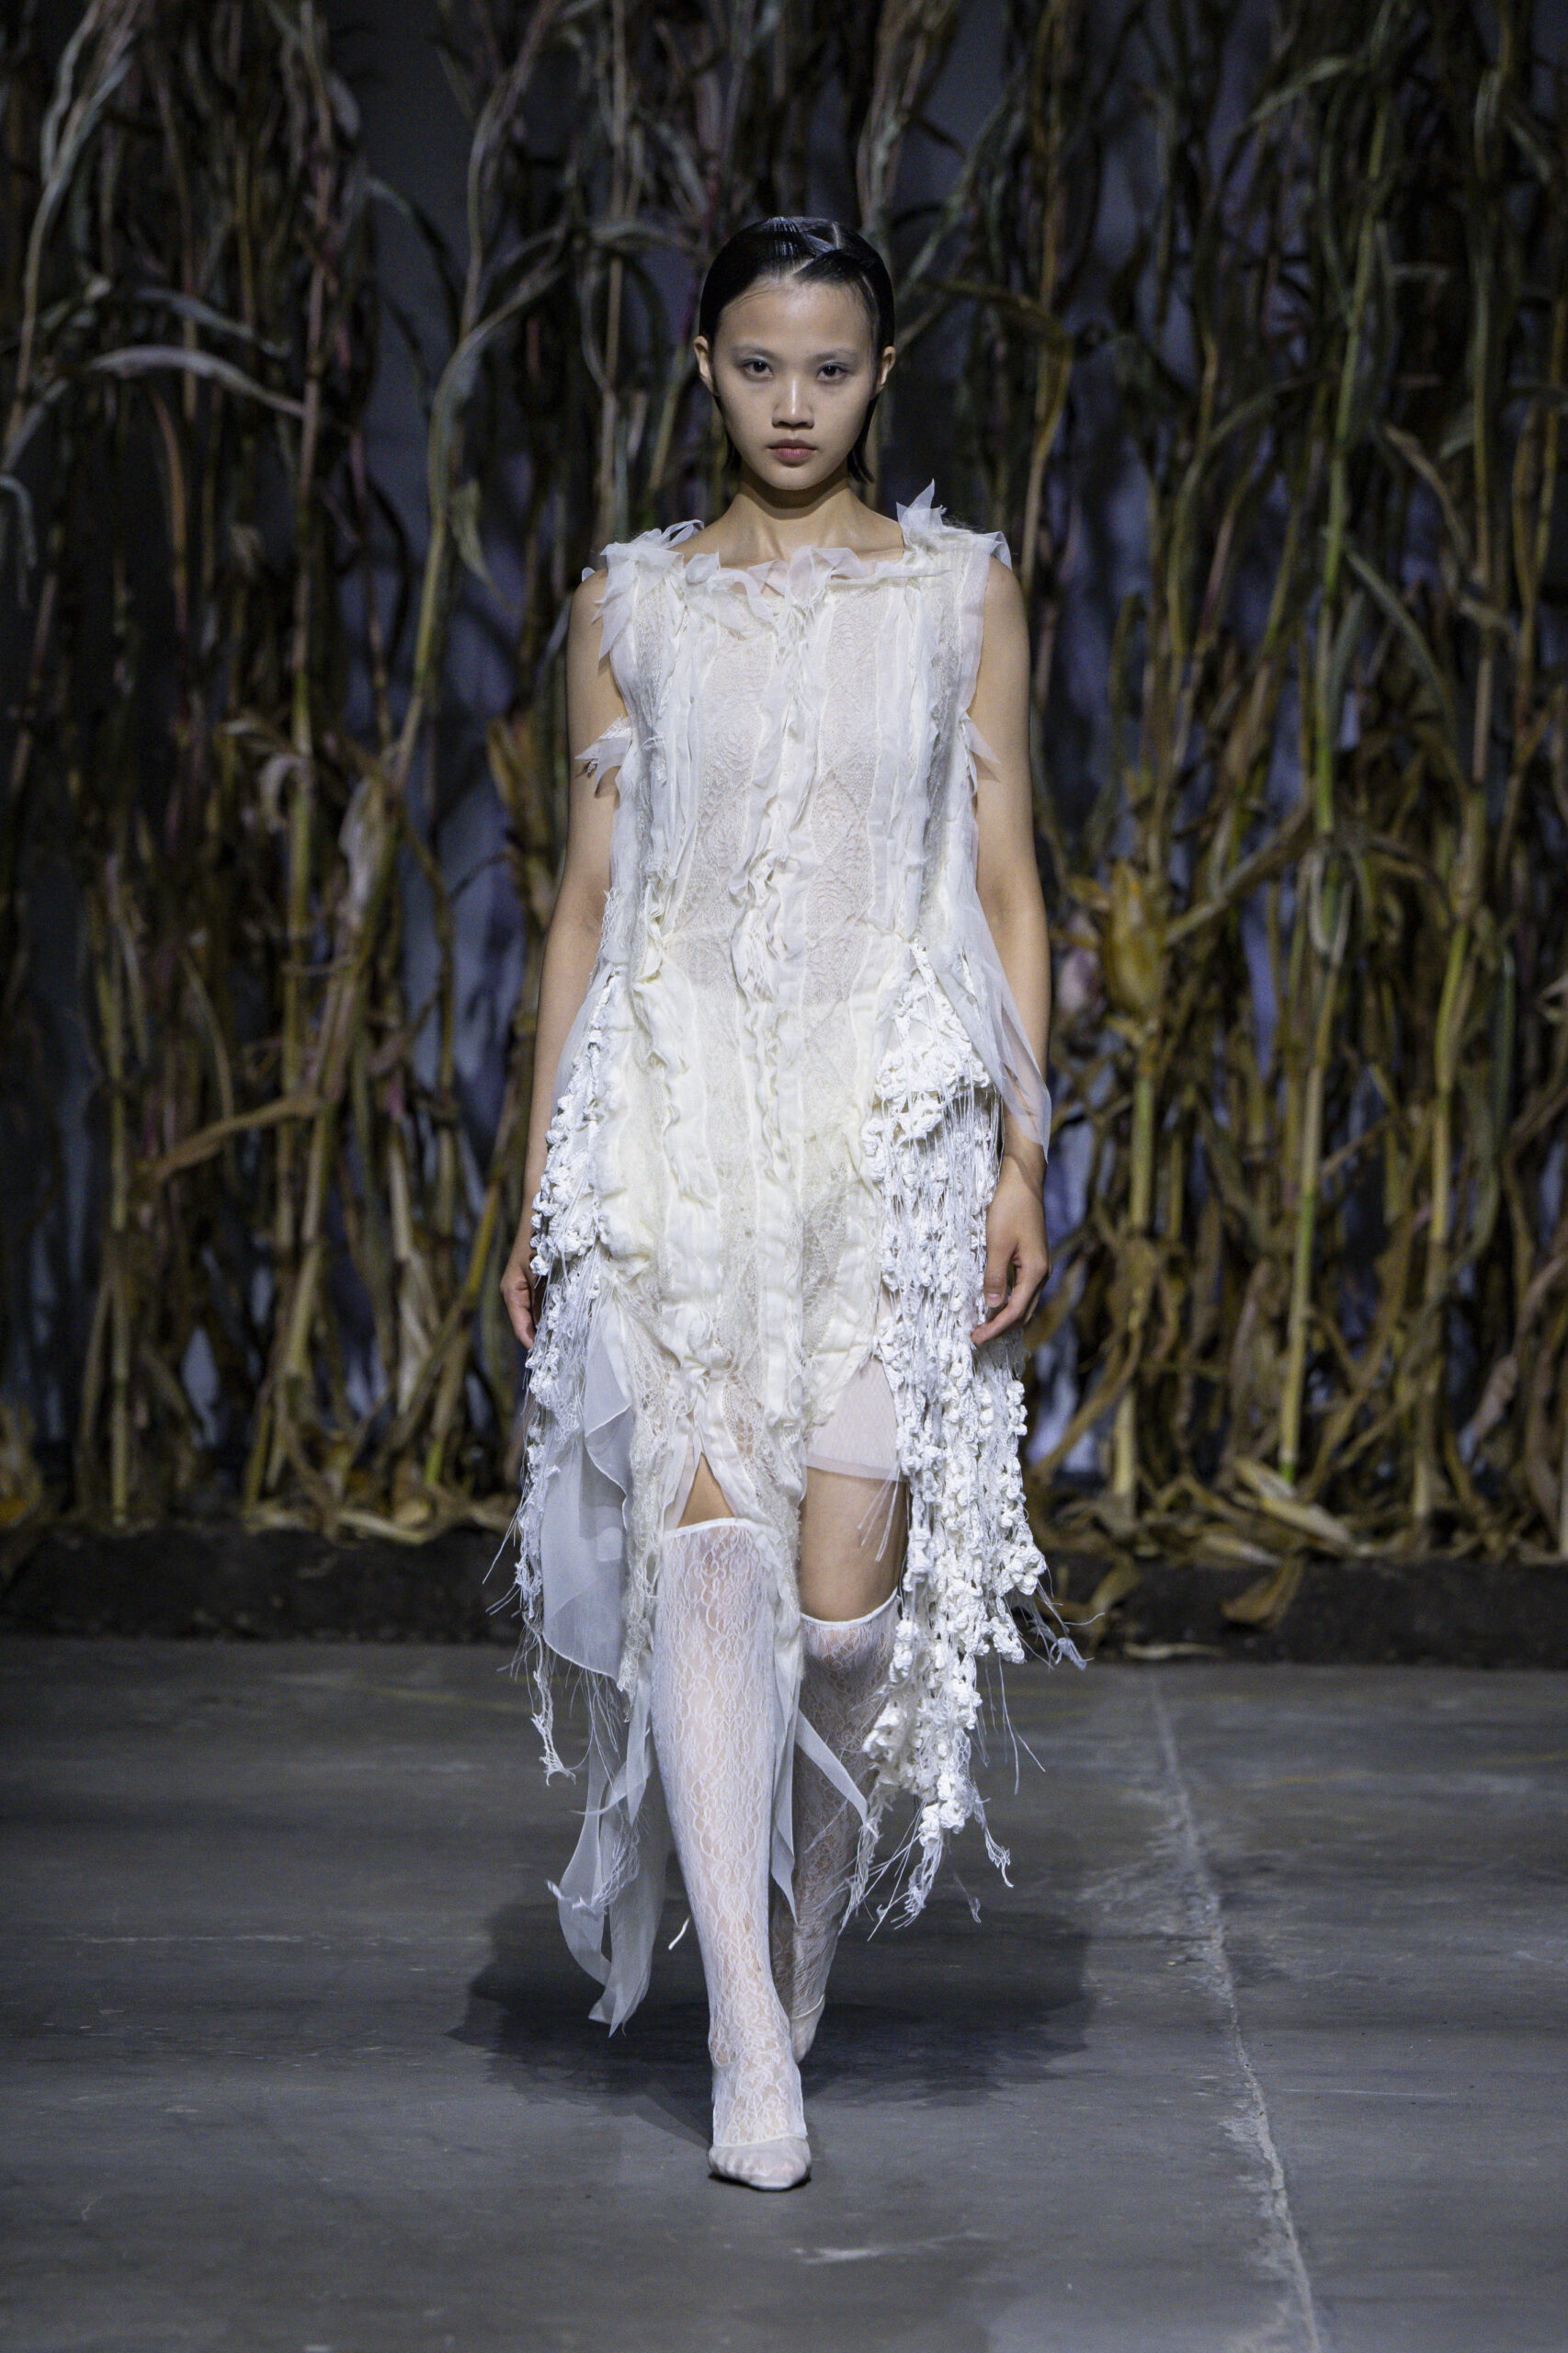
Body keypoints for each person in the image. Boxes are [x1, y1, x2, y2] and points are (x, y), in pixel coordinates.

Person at [500, 217, 1079, 2193]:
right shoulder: (632, 603)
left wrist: (1021, 1150)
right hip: (672, 1113)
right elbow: (585, 903)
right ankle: (746, 2028)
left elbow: (1007, 882)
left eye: (829, 368)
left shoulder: (956, 593)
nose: (793, 403)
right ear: (702, 365)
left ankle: (806, 1915)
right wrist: (540, 1181)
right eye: (757, 364)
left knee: (841, 1617)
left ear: (880, 374)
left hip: (886, 1119)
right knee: (710, 1560)